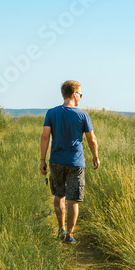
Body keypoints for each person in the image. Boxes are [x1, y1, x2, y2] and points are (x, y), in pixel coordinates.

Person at [39, 80, 100, 244]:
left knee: (59, 195)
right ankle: (70, 235)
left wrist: (42, 160)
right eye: (80, 94)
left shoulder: (51, 113)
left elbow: (45, 137)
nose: (80, 97)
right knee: (73, 199)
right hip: (76, 163)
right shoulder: (82, 115)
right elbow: (91, 139)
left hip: (56, 161)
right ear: (74, 94)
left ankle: (61, 229)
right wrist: (95, 156)